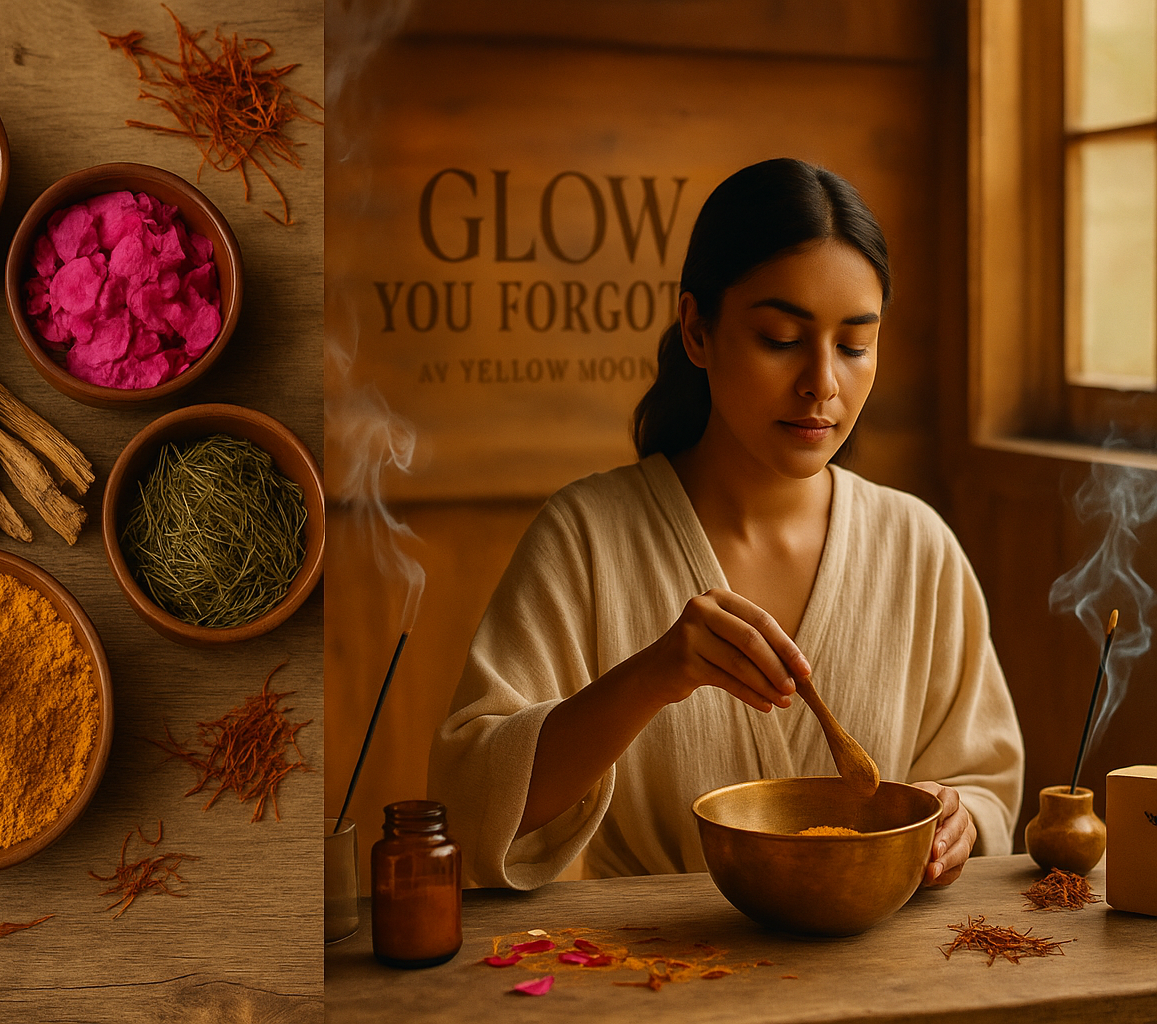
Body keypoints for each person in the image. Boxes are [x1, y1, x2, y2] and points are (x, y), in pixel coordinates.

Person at [427, 158, 1024, 890]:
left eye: (854, 345)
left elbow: (986, 785)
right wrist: (654, 675)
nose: (823, 383)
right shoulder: (587, 535)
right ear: (697, 331)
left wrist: (956, 820)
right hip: (661, 978)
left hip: (884, 980)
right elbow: (466, 807)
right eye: (780, 337)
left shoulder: (918, 546)